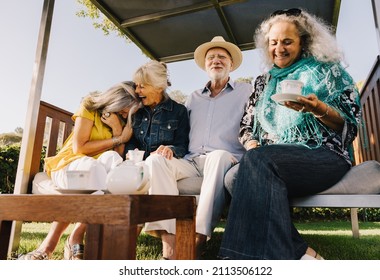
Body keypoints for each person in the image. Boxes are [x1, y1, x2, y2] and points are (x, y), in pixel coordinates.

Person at [218, 8, 361, 260]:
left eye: (287, 42)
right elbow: (246, 124)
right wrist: (251, 143)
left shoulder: (326, 71)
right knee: (233, 178)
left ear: (303, 42)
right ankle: (301, 254)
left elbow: (350, 125)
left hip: (323, 155)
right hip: (273, 159)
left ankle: (237, 261)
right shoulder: (262, 82)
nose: (279, 49)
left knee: (260, 161)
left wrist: (319, 109)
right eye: (273, 42)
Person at [142, 36, 252, 259]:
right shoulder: (193, 98)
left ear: (231, 64)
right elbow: (181, 133)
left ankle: (198, 237)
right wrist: (170, 147)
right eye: (211, 57)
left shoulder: (246, 92)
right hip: (191, 160)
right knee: (156, 160)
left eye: (222, 57)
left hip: (226, 159)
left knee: (218, 156)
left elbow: (254, 124)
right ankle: (169, 243)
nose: (216, 60)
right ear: (205, 65)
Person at [18, 81, 142, 260]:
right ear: (116, 100)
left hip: (94, 173)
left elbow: (117, 157)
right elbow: (79, 148)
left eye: (128, 113)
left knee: (113, 160)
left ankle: (71, 237)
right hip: (68, 165)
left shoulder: (121, 123)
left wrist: (117, 130)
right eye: (124, 110)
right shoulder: (90, 106)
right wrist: (118, 138)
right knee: (92, 168)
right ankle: (64, 242)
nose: (125, 115)